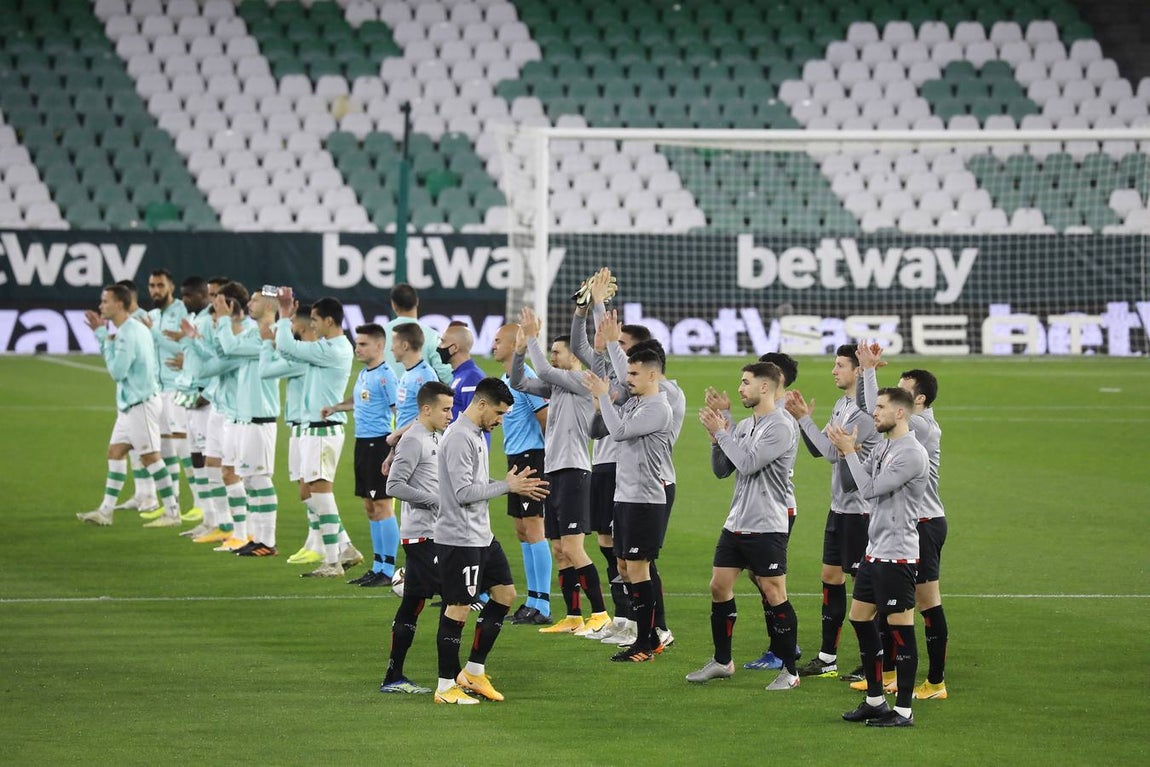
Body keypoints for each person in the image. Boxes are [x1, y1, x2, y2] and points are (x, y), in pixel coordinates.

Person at [432, 377, 549, 704]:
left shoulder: (477, 434)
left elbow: (476, 483)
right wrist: (508, 487)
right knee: (458, 609)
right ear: (480, 404)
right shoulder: (458, 439)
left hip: (480, 535)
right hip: (460, 537)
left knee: (505, 594)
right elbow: (463, 493)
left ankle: (472, 671)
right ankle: (445, 687)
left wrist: (510, 484)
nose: (500, 420)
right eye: (498, 413)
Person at [690, 362, 800, 690]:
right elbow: (723, 470)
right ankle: (723, 661)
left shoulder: (780, 426)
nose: (740, 389)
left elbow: (749, 464)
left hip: (766, 523)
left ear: (764, 387)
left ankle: (790, 672)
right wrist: (715, 439)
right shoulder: (746, 425)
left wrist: (723, 431)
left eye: (745, 383)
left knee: (773, 591)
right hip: (737, 520)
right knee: (719, 585)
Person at [829, 387, 928, 728]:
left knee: (901, 630)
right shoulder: (885, 446)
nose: (876, 412)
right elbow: (851, 486)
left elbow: (870, 489)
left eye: (882, 407)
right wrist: (846, 453)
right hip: (875, 553)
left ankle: (903, 711)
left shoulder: (911, 453)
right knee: (859, 619)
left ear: (900, 413)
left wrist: (850, 453)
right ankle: (874, 700)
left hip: (898, 557)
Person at [854, 343, 949, 700]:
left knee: (926, 603)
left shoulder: (922, 428)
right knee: (887, 604)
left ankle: (935, 681)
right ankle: (889, 673)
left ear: (918, 401)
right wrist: (867, 372)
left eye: (902, 392)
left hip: (922, 523)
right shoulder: (902, 429)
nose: (893, 399)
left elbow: (872, 407)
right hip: (906, 522)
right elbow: (873, 408)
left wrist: (866, 373)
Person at [510, 308, 611, 637]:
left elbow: (540, 370)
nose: (551, 356)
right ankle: (573, 616)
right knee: (559, 550)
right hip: (553, 472)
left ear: (573, 356)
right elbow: (518, 381)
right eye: (550, 351)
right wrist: (521, 349)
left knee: (573, 547)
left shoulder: (583, 382)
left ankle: (600, 614)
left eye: (557, 351)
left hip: (575, 471)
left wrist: (532, 338)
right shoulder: (555, 387)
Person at [786, 344, 880, 680]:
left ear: (858, 370)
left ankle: (878, 660)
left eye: (840, 365)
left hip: (861, 512)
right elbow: (821, 448)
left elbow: (830, 452)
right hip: (839, 508)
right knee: (830, 577)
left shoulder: (867, 414)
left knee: (866, 589)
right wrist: (803, 420)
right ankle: (827, 658)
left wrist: (804, 419)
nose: (834, 370)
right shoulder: (842, 405)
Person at [584, 348, 673, 662]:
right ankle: (645, 635)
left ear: (652, 375)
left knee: (637, 569)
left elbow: (618, 432)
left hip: (645, 501)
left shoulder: (658, 408)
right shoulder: (636, 403)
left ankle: (646, 642)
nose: (628, 379)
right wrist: (608, 344)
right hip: (624, 498)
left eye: (634, 374)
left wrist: (604, 397)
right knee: (623, 567)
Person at [77, 285, 182, 527]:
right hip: (132, 404)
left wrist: (103, 337)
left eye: (105, 301)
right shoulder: (135, 328)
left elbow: (117, 371)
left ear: (120, 304)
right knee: (115, 452)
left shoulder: (126, 333)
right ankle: (105, 511)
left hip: (140, 404)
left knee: (151, 458)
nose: (101, 305)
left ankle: (173, 513)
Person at [274, 289, 359, 578]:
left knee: (322, 494)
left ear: (330, 321)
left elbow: (287, 348)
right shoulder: (328, 347)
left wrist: (285, 316)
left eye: (315, 320)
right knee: (310, 491)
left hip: (324, 431)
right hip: (315, 429)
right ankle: (345, 548)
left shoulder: (333, 350)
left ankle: (333, 562)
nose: (312, 325)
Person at [380, 380, 455, 694]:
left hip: (433, 532)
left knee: (413, 605)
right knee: (458, 598)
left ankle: (394, 677)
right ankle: (454, 677)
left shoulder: (433, 435)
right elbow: (393, 487)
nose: (451, 415)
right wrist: (434, 499)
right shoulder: (414, 440)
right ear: (427, 409)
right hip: (421, 535)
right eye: (446, 409)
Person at [322, 324, 400, 586]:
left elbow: (397, 410)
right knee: (369, 506)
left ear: (379, 346)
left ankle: (388, 569)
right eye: (357, 343)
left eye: (363, 344)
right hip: (362, 444)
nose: (358, 348)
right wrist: (336, 407)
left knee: (383, 506)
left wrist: (395, 448)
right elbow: (359, 401)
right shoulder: (365, 373)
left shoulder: (386, 375)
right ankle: (377, 566)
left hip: (379, 444)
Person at [490, 323, 551, 625]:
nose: (493, 344)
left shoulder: (526, 378)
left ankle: (543, 603)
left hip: (531, 459)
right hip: (516, 459)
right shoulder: (507, 379)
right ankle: (532, 599)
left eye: (498, 340)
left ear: (515, 343)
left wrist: (545, 462)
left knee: (534, 528)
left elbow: (546, 420)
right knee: (521, 530)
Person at [216, 286, 282, 556]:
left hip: (260, 417)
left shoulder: (268, 335)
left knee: (259, 479)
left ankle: (267, 541)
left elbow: (228, 347)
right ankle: (257, 538)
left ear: (269, 306)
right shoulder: (256, 334)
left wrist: (222, 318)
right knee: (251, 479)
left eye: (254, 300)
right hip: (248, 417)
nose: (249, 303)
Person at [258, 306, 317, 562]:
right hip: (298, 425)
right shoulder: (302, 356)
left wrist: (267, 344)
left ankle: (325, 542)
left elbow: (266, 371)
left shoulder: (302, 358)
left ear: (300, 326)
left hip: (307, 426)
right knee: (304, 488)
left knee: (310, 489)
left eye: (291, 321)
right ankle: (315, 540)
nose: (288, 326)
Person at [139, 268, 195, 524]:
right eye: (152, 286)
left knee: (185, 447)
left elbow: (184, 348)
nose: (155, 290)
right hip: (157, 390)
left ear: (170, 287)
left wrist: (152, 334)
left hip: (178, 387)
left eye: (160, 285)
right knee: (165, 448)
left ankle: (200, 503)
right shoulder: (150, 316)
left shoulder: (183, 312)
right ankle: (171, 503)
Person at [383, 283, 452, 384]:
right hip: (419, 398)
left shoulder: (380, 334)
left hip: (387, 398)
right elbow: (448, 376)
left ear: (393, 305)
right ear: (417, 301)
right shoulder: (432, 336)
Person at [438, 321, 486, 422]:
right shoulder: (460, 375)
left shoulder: (472, 378)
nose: (439, 347)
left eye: (443, 341)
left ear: (454, 348)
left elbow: (478, 421)